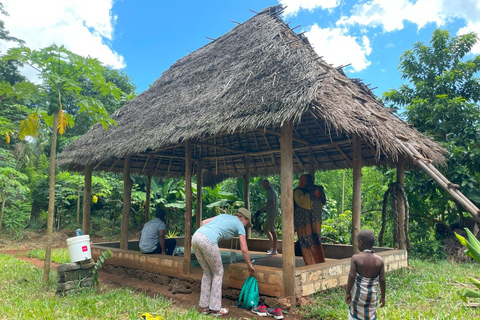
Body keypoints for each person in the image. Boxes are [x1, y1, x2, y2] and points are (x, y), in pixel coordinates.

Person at [192, 208, 256, 316]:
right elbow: (244, 249)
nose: (245, 226)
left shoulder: (224, 216)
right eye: (247, 223)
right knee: (218, 272)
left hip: (196, 236)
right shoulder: (239, 224)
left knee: (207, 272)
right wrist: (249, 265)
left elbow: (203, 222)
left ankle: (204, 307)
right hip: (207, 240)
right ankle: (215, 309)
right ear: (244, 218)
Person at [345, 229, 386, 320]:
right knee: (370, 314)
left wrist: (348, 292)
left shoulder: (355, 258)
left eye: (357, 242)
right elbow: (382, 280)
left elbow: (351, 276)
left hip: (358, 297)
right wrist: (383, 297)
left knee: (354, 314)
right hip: (371, 297)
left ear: (361, 243)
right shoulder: (379, 260)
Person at [293, 174, 326, 265]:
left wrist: (318, 192)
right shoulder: (298, 192)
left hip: (315, 221)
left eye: (303, 181)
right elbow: (302, 201)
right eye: (300, 180)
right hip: (303, 223)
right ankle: (310, 264)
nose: (301, 182)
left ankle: (320, 262)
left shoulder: (316, 189)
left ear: (308, 182)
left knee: (316, 241)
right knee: (305, 243)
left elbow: (322, 201)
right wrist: (313, 194)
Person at [258, 180, 279, 255]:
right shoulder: (270, 191)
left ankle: (275, 249)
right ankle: (272, 246)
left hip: (272, 214)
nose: (263, 187)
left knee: (272, 230)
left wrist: (264, 208)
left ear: (267, 184)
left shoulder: (271, 192)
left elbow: (272, 204)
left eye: (264, 185)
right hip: (270, 214)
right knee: (266, 229)